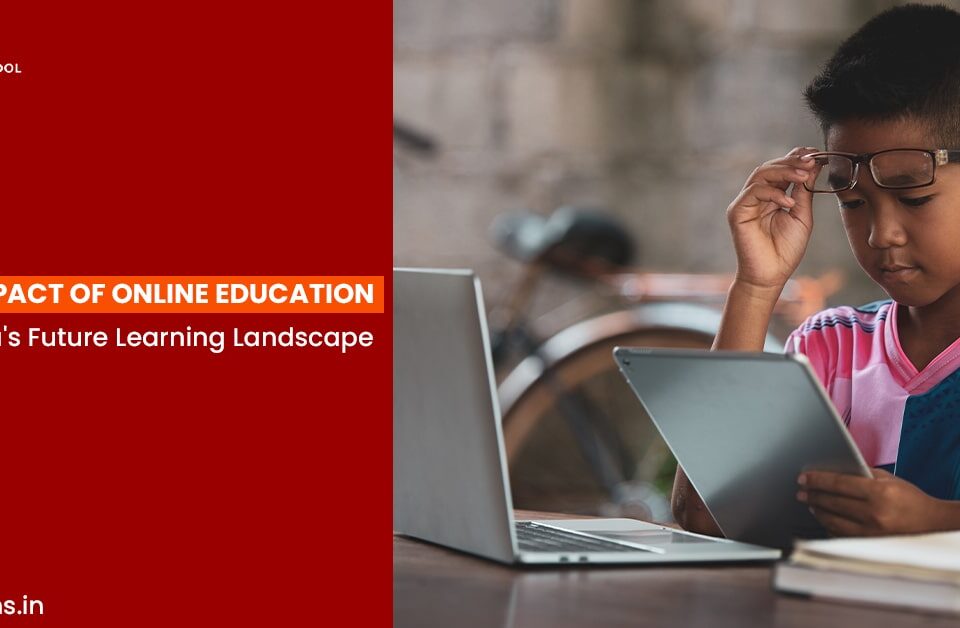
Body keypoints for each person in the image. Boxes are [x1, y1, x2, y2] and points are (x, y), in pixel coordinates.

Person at [672, 3, 960, 537]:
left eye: (914, 198)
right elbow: (703, 516)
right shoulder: (830, 351)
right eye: (852, 204)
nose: (881, 234)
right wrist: (756, 288)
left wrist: (936, 523)